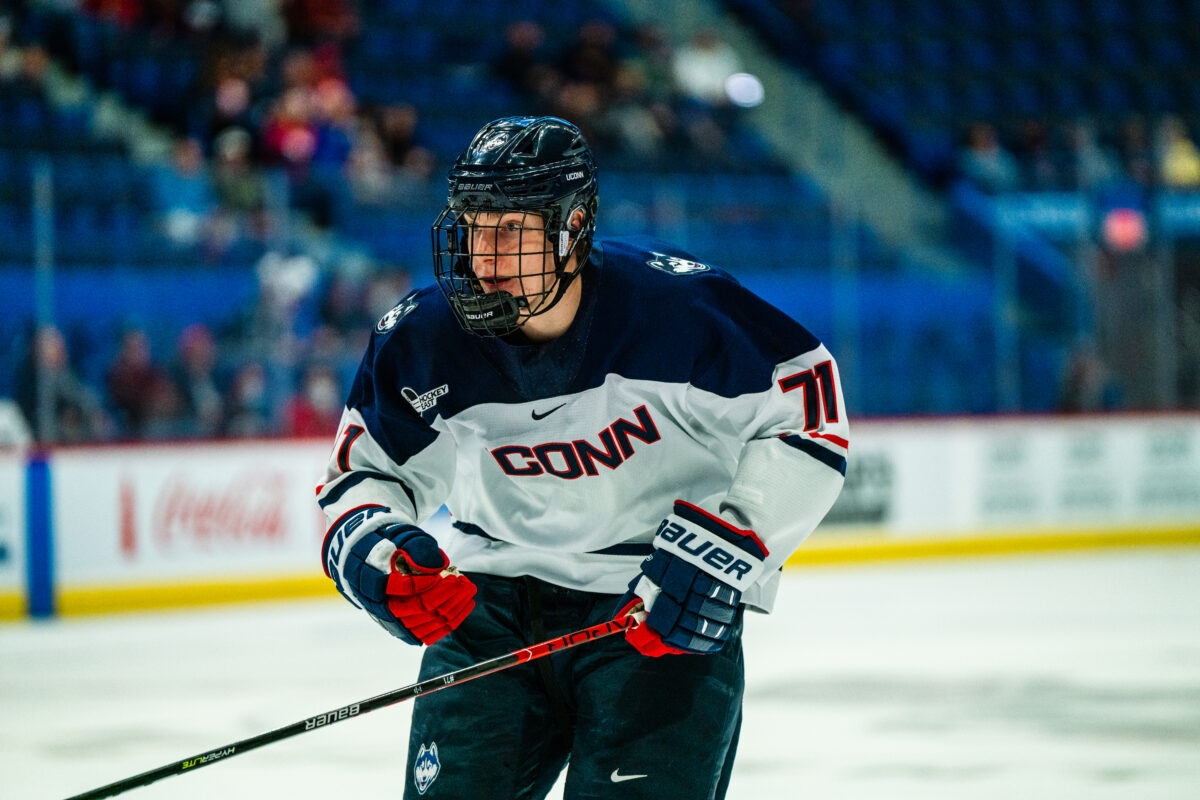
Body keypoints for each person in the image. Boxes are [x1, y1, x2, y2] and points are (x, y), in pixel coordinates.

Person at [316, 116, 848, 799]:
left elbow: (808, 412)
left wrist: (729, 548)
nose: (485, 257)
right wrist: (377, 547)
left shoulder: (678, 311)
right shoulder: (422, 340)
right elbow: (366, 474)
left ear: (571, 228)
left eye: (511, 230)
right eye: (475, 227)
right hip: (488, 613)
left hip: (652, 611)